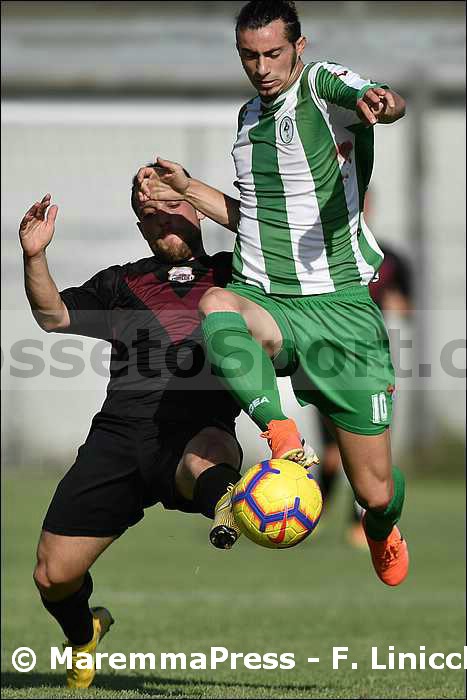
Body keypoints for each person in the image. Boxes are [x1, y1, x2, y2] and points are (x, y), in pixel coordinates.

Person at [136, 0, 409, 587]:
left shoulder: (321, 87)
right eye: (249, 56)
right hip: (269, 301)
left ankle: (383, 526)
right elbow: (252, 220)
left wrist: (382, 102)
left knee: (375, 490)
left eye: (273, 53)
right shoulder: (247, 120)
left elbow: (377, 96)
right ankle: (283, 439)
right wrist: (188, 188)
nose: (261, 67)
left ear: (299, 47)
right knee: (217, 305)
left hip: (340, 311)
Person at [20, 167, 244, 689]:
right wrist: (34, 256)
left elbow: (268, 228)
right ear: (142, 229)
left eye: (173, 207)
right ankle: (84, 634)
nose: (162, 219)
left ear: (197, 209)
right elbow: (53, 317)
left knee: (210, 453)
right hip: (119, 438)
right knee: (53, 575)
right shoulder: (121, 283)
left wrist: (189, 188)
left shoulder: (238, 273)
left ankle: (234, 504)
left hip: (196, 433)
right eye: (150, 215)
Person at [317, 194, 413, 548]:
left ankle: (361, 523)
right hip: (327, 361)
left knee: (372, 449)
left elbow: (407, 305)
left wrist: (396, 304)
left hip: (370, 361)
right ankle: (315, 510)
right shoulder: (323, 252)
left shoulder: (388, 258)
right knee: (331, 454)